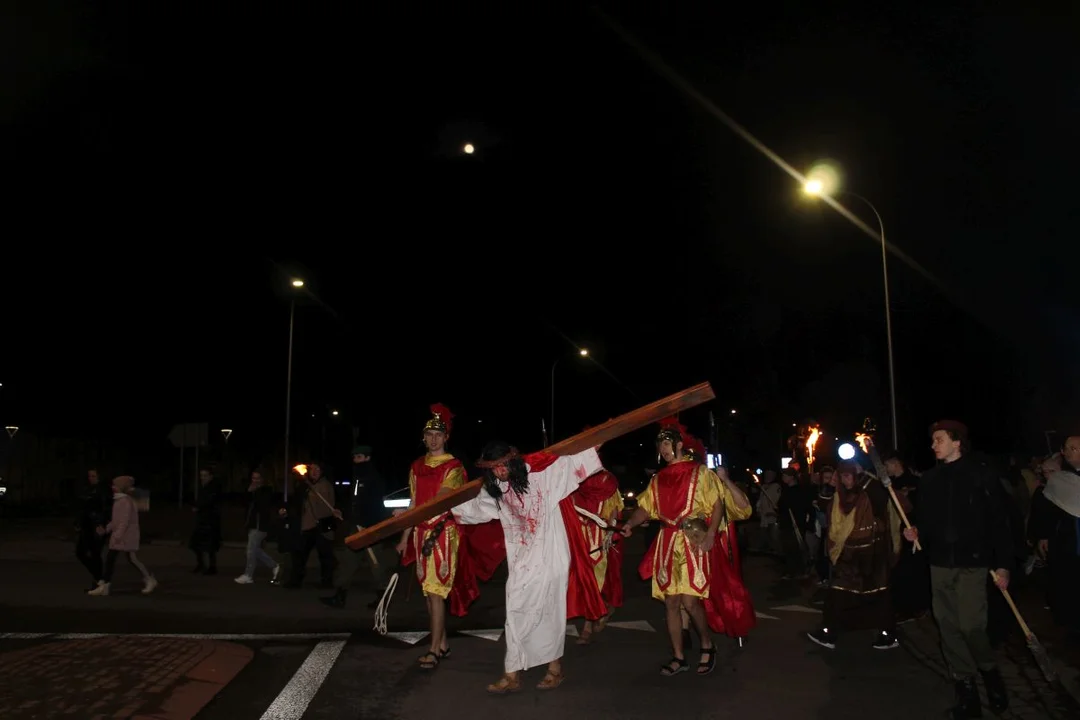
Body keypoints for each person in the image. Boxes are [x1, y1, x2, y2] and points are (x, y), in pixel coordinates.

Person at [451, 440, 604, 693]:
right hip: (522, 563)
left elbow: (575, 463)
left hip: (551, 558)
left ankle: (555, 669)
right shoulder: (496, 490)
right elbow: (473, 509)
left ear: (512, 461)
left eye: (502, 465)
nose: (499, 471)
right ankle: (511, 675)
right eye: (493, 468)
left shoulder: (544, 476)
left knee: (550, 614)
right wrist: (441, 505)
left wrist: (597, 441)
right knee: (515, 614)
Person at [619, 418, 752, 677]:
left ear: (679, 444)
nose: (664, 450)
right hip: (667, 543)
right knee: (671, 603)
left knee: (691, 603)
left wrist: (711, 534)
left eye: (667, 444)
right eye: (661, 446)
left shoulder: (700, 472)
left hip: (692, 542)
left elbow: (716, 505)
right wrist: (631, 525)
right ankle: (678, 656)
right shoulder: (659, 479)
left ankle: (706, 644)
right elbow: (646, 508)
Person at [904, 420, 1014, 717]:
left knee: (971, 626)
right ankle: (967, 693)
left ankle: (990, 674)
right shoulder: (929, 480)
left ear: (956, 442)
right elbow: (924, 521)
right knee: (949, 629)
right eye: (933, 440)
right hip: (939, 563)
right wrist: (915, 531)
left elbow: (1000, 522)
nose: (933, 445)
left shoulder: (981, 475)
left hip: (973, 563)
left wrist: (1003, 564)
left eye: (938, 439)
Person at [396, 405, 473, 670]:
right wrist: (405, 536)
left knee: (437, 592)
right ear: (423, 437)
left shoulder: (453, 466)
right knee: (429, 593)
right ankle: (442, 644)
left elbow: (441, 499)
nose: (433, 439)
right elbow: (414, 503)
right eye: (429, 434)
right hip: (420, 534)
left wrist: (415, 514)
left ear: (446, 437)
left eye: (438, 435)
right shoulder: (416, 466)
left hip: (442, 533)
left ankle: (433, 650)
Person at [806, 458, 902, 651]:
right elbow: (825, 503)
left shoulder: (870, 492)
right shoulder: (840, 496)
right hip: (848, 555)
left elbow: (884, 497)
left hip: (872, 555)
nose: (845, 479)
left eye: (848, 475)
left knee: (878, 595)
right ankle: (829, 632)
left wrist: (864, 475)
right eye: (842, 475)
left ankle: (888, 634)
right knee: (839, 594)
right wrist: (829, 484)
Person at [321, 444, 389, 609]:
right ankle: (340, 596)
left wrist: (368, 526)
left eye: (359, 457)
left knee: (376, 564)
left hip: (370, 529)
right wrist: (343, 512)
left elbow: (376, 505)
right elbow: (354, 502)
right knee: (348, 561)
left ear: (367, 458)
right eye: (354, 457)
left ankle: (383, 600)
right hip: (356, 527)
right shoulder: (357, 478)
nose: (355, 460)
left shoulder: (373, 478)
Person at [570, 462, 624, 644]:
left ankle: (587, 625)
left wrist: (610, 531)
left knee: (595, 581)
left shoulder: (606, 480)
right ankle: (599, 610)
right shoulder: (573, 478)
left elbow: (614, 510)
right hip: (578, 537)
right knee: (581, 581)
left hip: (599, 538)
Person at [88, 476, 157, 596]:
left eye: (115, 485)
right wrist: (106, 530)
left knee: (113, 559)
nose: (113, 487)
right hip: (123, 536)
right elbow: (116, 521)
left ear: (121, 487)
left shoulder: (125, 501)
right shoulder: (120, 500)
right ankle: (148, 579)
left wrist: (117, 536)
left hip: (125, 536)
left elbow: (123, 522)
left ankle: (105, 586)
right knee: (130, 559)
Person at [234, 469, 281, 584]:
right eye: (253, 478)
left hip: (261, 524)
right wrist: (249, 492)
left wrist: (254, 492)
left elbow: (262, 505)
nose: (255, 481)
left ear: (263, 480)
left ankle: (248, 575)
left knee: (251, 550)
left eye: (257, 478)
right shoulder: (253, 490)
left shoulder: (266, 491)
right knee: (254, 549)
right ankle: (274, 565)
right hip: (253, 523)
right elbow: (245, 503)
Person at [75, 469, 112, 591]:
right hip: (86, 526)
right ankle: (99, 577)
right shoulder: (86, 490)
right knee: (80, 552)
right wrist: (78, 522)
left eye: (93, 476)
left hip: (97, 526)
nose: (91, 478)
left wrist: (102, 524)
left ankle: (99, 581)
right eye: (89, 476)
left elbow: (106, 509)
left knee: (95, 553)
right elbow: (82, 508)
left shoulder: (103, 491)